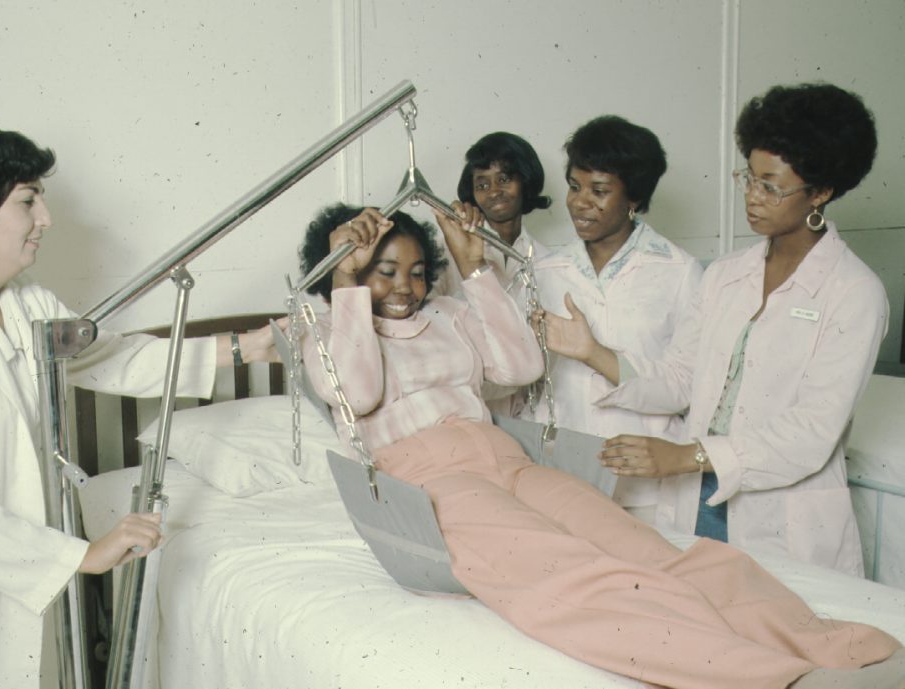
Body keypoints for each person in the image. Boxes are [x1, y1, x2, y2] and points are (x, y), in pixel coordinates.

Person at [296, 201, 902, 689]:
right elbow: (358, 390)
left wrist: (476, 271)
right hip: (433, 479)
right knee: (574, 575)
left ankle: (842, 650)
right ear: (351, 271)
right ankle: (774, 679)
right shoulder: (327, 329)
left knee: (645, 549)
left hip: (503, 456)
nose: (407, 287)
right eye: (385, 271)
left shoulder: (451, 312)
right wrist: (346, 284)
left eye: (417, 271)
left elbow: (520, 365)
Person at [0, 72, 277, 689]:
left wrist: (246, 346)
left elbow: (118, 358)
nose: (47, 217)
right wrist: (82, 556)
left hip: (15, 591)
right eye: (27, 201)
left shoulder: (27, 306)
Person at [538, 83, 887, 576]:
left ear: (822, 192)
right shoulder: (726, 275)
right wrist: (593, 352)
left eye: (771, 186)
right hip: (693, 497)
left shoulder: (854, 291)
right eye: (749, 177)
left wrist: (686, 455)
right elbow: (681, 379)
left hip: (779, 508)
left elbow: (811, 432)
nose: (752, 197)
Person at [529, 115, 702, 522]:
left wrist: (593, 354)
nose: (580, 202)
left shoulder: (679, 272)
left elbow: (685, 389)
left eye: (600, 190)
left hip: (645, 481)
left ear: (634, 199)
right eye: (574, 186)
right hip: (561, 470)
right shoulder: (545, 271)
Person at [434, 131, 553, 299]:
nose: (493, 192)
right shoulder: (449, 246)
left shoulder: (546, 260)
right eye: (482, 185)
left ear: (525, 181)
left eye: (503, 180)